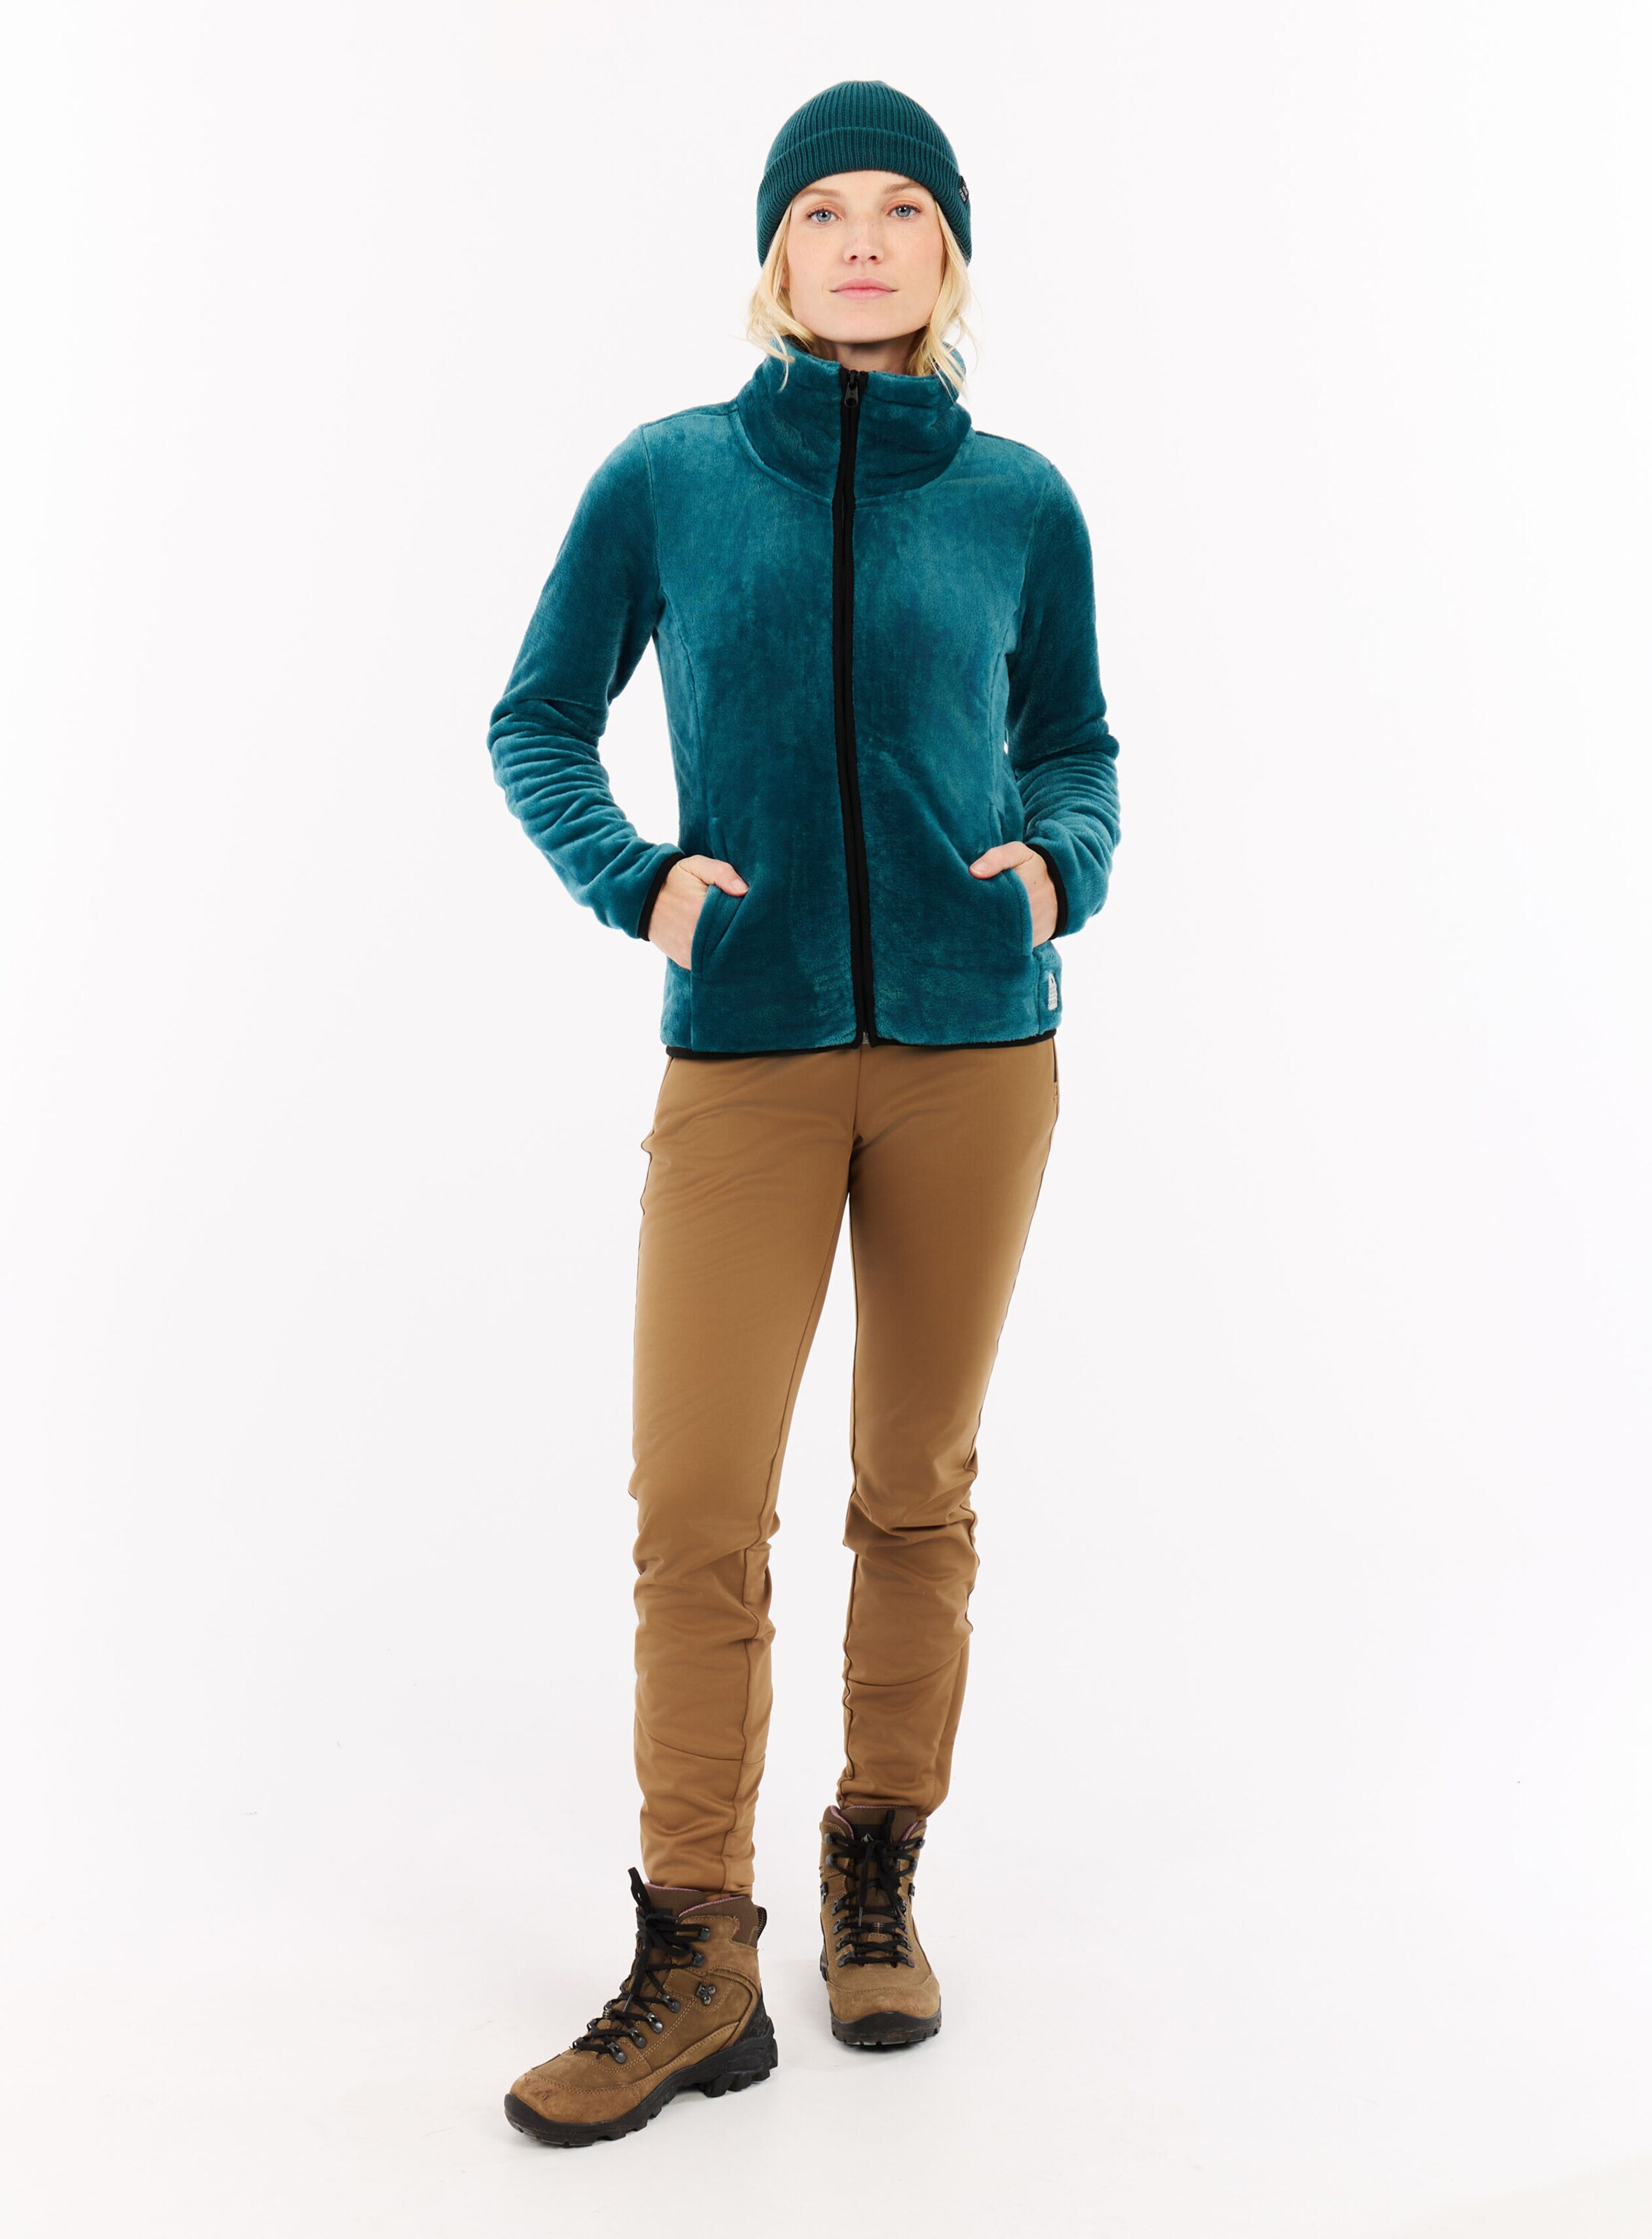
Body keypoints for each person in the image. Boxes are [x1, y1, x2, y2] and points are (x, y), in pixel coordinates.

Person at [486, 78, 1120, 2147]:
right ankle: (697, 1951)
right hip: (746, 1054)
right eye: (823, 211)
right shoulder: (671, 477)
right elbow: (536, 717)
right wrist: (639, 878)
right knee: (697, 1504)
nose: (861, 242)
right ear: (776, 252)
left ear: (949, 255)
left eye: (900, 211)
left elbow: (1078, 746)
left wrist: (1057, 870)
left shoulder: (1021, 499)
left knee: (913, 1487)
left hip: (974, 1058)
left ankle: (875, 1875)